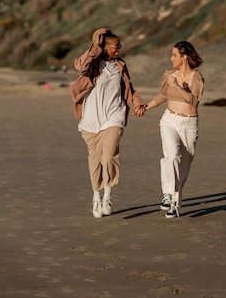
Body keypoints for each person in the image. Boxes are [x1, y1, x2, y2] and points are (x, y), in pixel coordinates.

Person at [70, 28, 143, 218]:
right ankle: (96, 197)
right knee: (95, 161)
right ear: (105, 47)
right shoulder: (93, 64)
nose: (119, 49)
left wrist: (138, 101)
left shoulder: (121, 65)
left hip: (114, 115)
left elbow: (129, 86)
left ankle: (108, 196)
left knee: (109, 155)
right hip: (92, 119)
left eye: (120, 46)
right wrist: (95, 46)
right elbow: (80, 66)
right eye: (116, 46)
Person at [134, 41, 204, 218]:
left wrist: (178, 87)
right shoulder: (169, 75)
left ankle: (175, 202)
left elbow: (193, 101)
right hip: (169, 120)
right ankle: (168, 195)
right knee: (171, 155)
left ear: (184, 57)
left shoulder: (196, 78)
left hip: (189, 123)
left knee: (185, 164)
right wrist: (145, 107)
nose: (170, 58)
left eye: (174, 55)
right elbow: (162, 96)